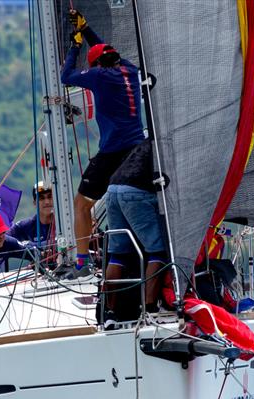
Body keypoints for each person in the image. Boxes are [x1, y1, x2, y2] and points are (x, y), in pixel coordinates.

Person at [61, 9, 146, 274]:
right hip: (138, 149)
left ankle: (82, 263)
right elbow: (103, 50)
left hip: (112, 151)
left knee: (81, 204)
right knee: (129, 201)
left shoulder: (98, 76)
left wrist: (74, 47)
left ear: (96, 65)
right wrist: (85, 29)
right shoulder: (130, 70)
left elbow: (66, 77)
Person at [103, 138, 167, 327]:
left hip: (112, 190)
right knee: (158, 251)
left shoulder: (145, 143)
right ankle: (149, 310)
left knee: (118, 255)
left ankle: (109, 313)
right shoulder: (169, 141)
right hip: (136, 192)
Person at [8, 181, 55, 248]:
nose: (47, 202)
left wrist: (31, 245)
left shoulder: (65, 222)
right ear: (34, 203)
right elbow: (4, 239)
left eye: (50, 197)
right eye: (41, 198)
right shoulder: (26, 225)